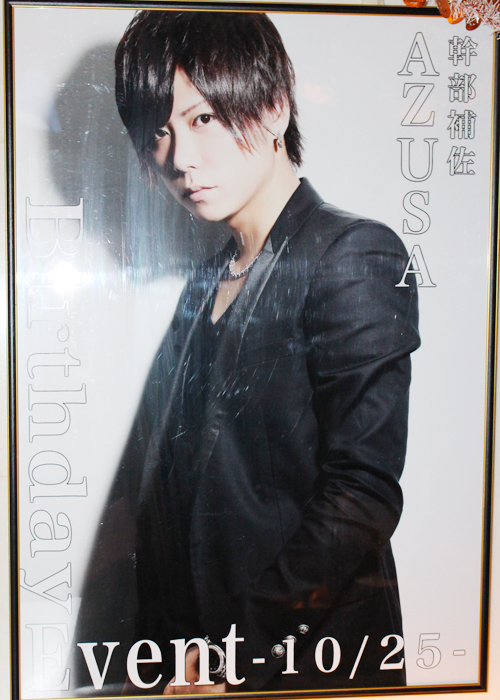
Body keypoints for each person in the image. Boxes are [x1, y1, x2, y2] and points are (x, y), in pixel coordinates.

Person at [78, 10, 420, 696]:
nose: (180, 157)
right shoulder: (210, 278)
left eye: (202, 118)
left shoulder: (353, 252)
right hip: (194, 663)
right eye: (159, 131)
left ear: (273, 107)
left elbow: (363, 492)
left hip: (306, 661)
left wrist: (236, 651)